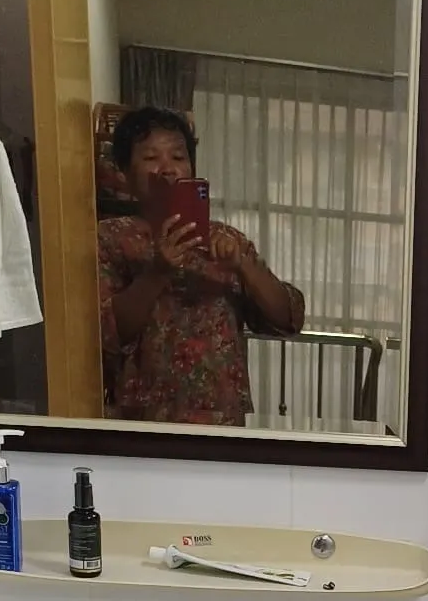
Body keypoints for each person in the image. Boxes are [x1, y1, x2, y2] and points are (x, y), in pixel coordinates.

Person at [97, 106, 304, 426]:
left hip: (223, 422)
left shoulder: (226, 239)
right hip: (143, 423)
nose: (168, 169)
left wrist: (244, 266)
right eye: (151, 158)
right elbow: (104, 332)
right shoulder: (110, 238)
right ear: (124, 173)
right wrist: (157, 272)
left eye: (178, 157)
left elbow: (288, 318)